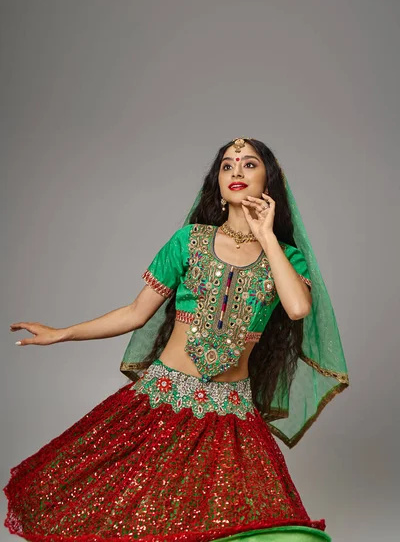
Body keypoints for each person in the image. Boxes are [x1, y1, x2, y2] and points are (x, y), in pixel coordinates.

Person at [4, 138, 349, 542]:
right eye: (227, 166)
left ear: (268, 181)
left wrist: (267, 236)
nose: (236, 171)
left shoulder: (286, 256)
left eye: (249, 164)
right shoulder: (188, 241)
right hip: (162, 403)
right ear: (217, 183)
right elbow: (135, 314)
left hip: (230, 417)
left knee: (224, 526)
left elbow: (297, 308)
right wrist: (61, 333)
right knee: (138, 516)